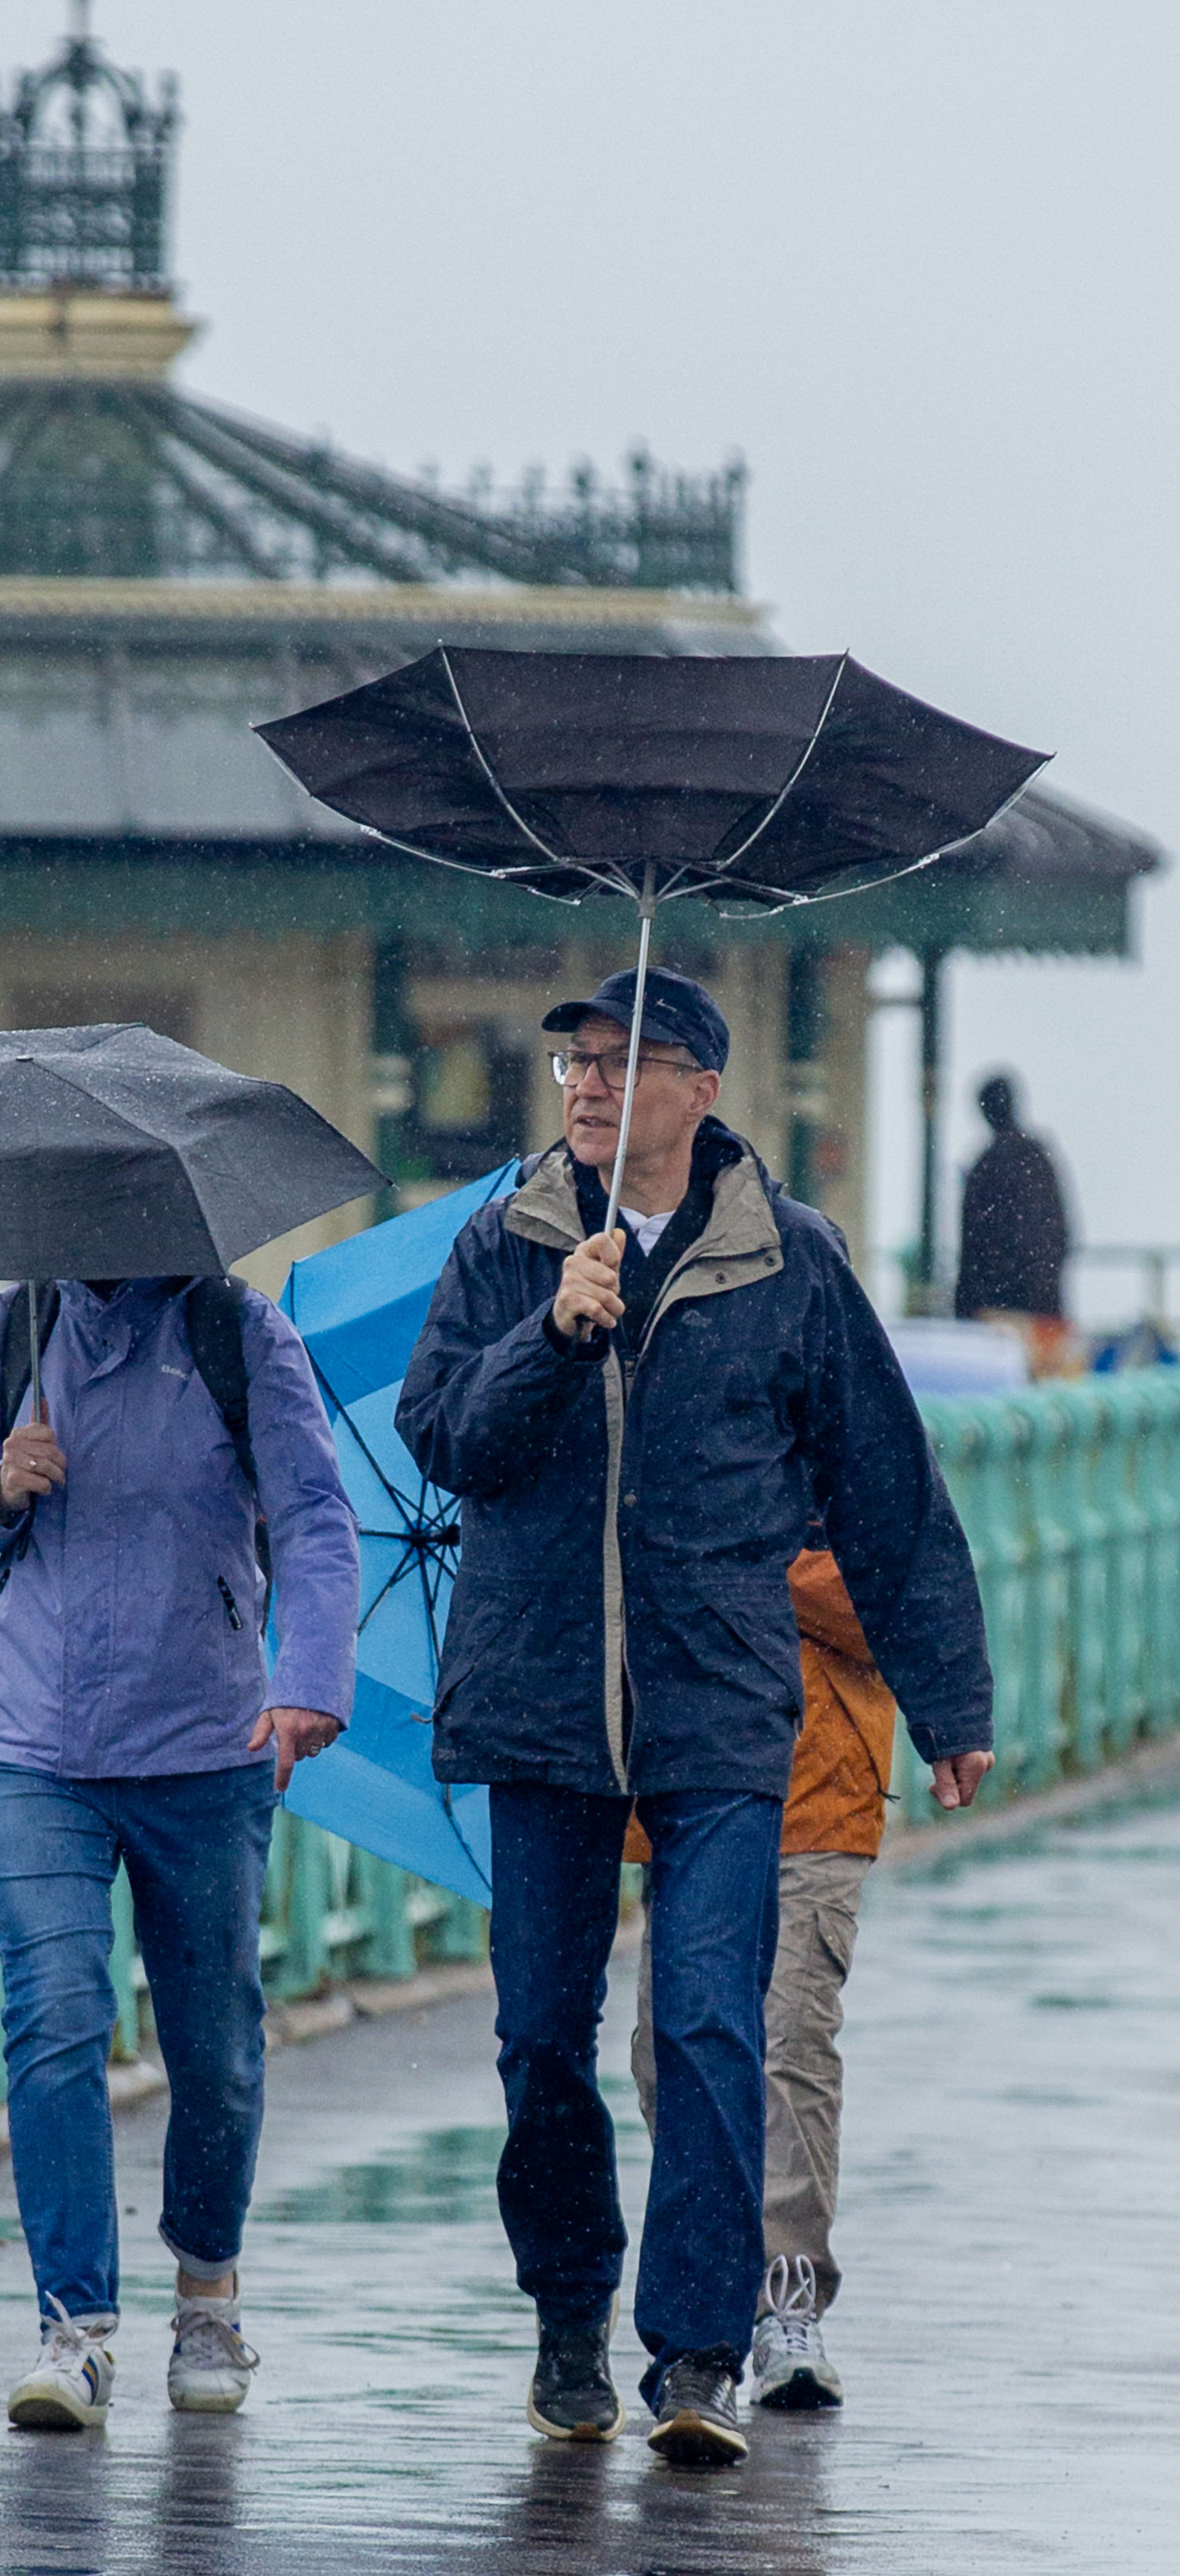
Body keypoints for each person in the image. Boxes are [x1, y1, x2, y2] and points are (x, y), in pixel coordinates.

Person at [396, 965, 994, 2466]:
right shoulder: (508, 1240)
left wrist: (948, 1696)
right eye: (573, 1065)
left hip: (720, 1700)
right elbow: (442, 1436)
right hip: (539, 1697)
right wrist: (549, 1329)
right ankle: (566, 2313)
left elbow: (884, 1489)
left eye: (622, 1061)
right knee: (540, 2036)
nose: (589, 1085)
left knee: (709, 2019)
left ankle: (696, 2351)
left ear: (699, 1088)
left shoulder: (787, 1264)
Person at [0, 1274, 358, 2433]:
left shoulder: (237, 1331)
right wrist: (1, 1490)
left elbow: (313, 1514)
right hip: (35, 1741)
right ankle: (74, 2327)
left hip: (204, 1741)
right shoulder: (11, 1331)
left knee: (214, 2045)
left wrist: (309, 1681)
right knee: (56, 2012)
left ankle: (207, 2294)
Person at [629, 1527, 897, 2412]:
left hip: (813, 1794)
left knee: (789, 2045)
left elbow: (885, 1592)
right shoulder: (654, 1404)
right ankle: (711, 2282)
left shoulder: (842, 1406)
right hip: (686, 1784)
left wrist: (733, 1552)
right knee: (668, 2053)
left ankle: (785, 2294)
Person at [954, 1072, 1073, 1366]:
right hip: (1046, 1309)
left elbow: (973, 1248)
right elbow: (1061, 1233)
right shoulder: (1038, 1158)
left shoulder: (986, 1166)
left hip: (997, 1314)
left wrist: (966, 1308)